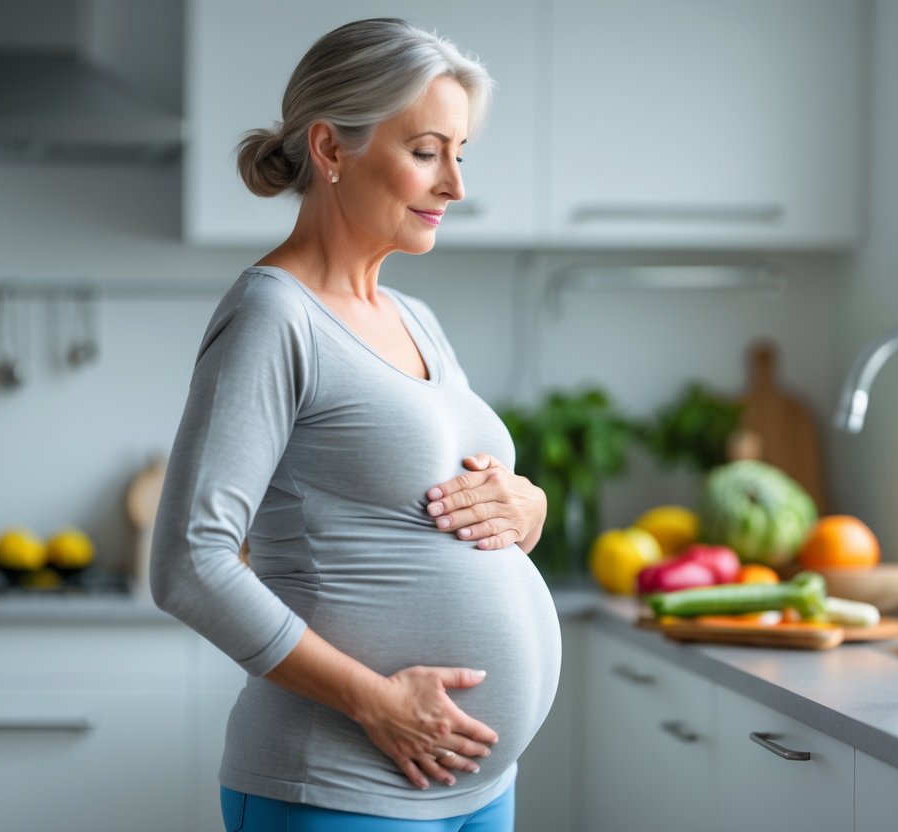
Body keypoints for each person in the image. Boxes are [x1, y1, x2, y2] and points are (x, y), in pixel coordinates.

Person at [150, 18, 562, 832]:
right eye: (425, 151)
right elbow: (188, 564)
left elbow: (451, 505)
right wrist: (376, 702)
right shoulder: (274, 316)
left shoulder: (414, 317)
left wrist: (528, 509)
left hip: (477, 787)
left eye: (460, 154)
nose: (453, 185)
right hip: (336, 783)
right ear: (331, 151)